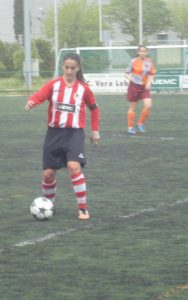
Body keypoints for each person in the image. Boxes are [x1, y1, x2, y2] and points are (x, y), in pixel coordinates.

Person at [25, 52, 100, 220]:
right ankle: (48, 205)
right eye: (66, 67)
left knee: (74, 167)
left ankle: (82, 208)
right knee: (48, 174)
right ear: (63, 67)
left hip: (74, 134)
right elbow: (40, 95)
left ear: (78, 68)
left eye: (73, 68)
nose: (69, 71)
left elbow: (94, 109)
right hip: (54, 133)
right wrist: (32, 101)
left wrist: (95, 130)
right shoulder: (54, 85)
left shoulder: (84, 88)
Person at [125, 45, 156, 134]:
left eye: (144, 51)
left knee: (148, 105)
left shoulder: (149, 62)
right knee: (132, 107)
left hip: (144, 87)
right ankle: (130, 127)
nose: (142, 53)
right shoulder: (133, 62)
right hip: (134, 86)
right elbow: (126, 73)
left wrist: (149, 82)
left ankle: (140, 123)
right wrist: (130, 78)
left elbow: (152, 74)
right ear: (138, 52)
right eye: (141, 51)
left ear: (146, 52)